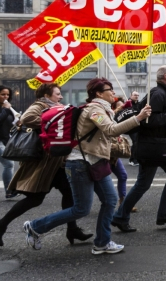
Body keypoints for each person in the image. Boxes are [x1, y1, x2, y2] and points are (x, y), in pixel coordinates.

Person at [23, 78, 151, 255]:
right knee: (81, 208)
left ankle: (102, 242)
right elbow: (110, 130)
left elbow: (111, 129)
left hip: (96, 162)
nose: (113, 93)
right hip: (80, 164)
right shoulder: (94, 109)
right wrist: (138, 118)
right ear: (99, 93)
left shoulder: (104, 109)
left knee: (110, 200)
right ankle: (35, 227)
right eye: (110, 90)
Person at [0, 84, 92, 247]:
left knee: (70, 194)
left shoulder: (56, 107)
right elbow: (26, 119)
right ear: (46, 95)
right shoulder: (39, 105)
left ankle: (72, 229)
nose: (61, 97)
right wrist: (53, 123)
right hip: (43, 162)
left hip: (56, 162)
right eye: (57, 93)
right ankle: (0, 225)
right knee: (35, 199)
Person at [111, 66, 166, 232]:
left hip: (160, 147)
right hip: (154, 148)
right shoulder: (158, 94)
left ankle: (161, 213)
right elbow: (147, 121)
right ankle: (122, 217)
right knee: (146, 184)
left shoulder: (163, 94)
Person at [127, 91, 141, 167]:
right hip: (131, 126)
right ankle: (132, 159)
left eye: (137, 95)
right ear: (131, 95)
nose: (136, 96)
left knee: (138, 142)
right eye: (135, 95)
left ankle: (135, 158)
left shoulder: (139, 104)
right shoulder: (128, 104)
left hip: (138, 126)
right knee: (135, 141)